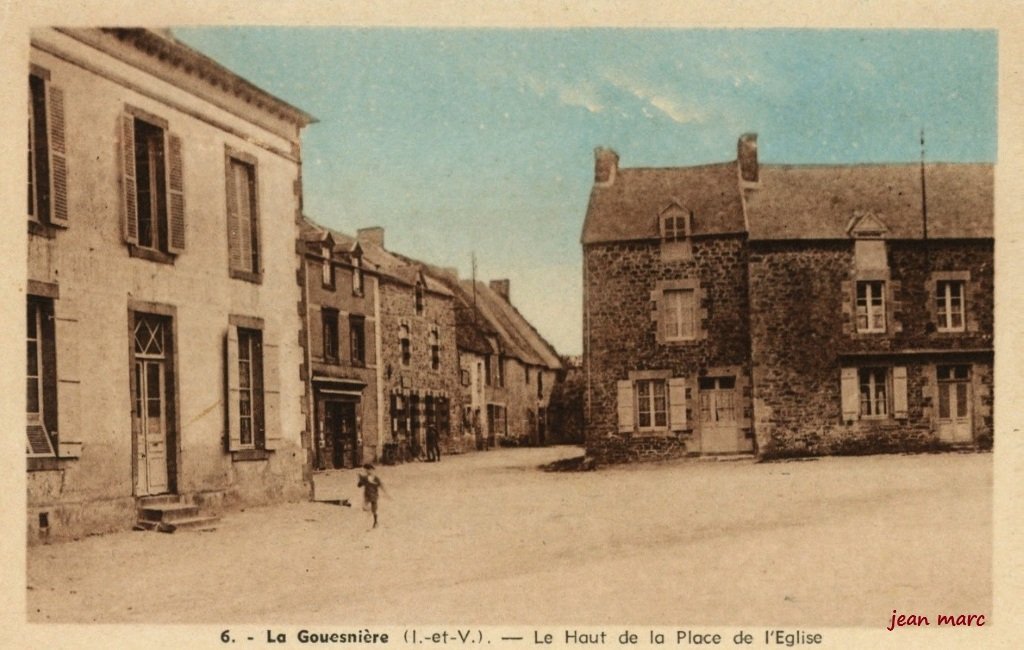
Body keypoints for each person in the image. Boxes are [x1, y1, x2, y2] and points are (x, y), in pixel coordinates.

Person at [357, 463, 385, 528]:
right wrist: (360, 479)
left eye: (367, 470)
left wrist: (385, 493)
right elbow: (359, 485)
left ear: (371, 470)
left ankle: (375, 522)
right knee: (366, 508)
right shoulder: (366, 478)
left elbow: (381, 485)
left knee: (372, 510)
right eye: (366, 470)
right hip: (369, 496)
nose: (367, 471)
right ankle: (374, 521)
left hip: (373, 496)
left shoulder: (374, 478)